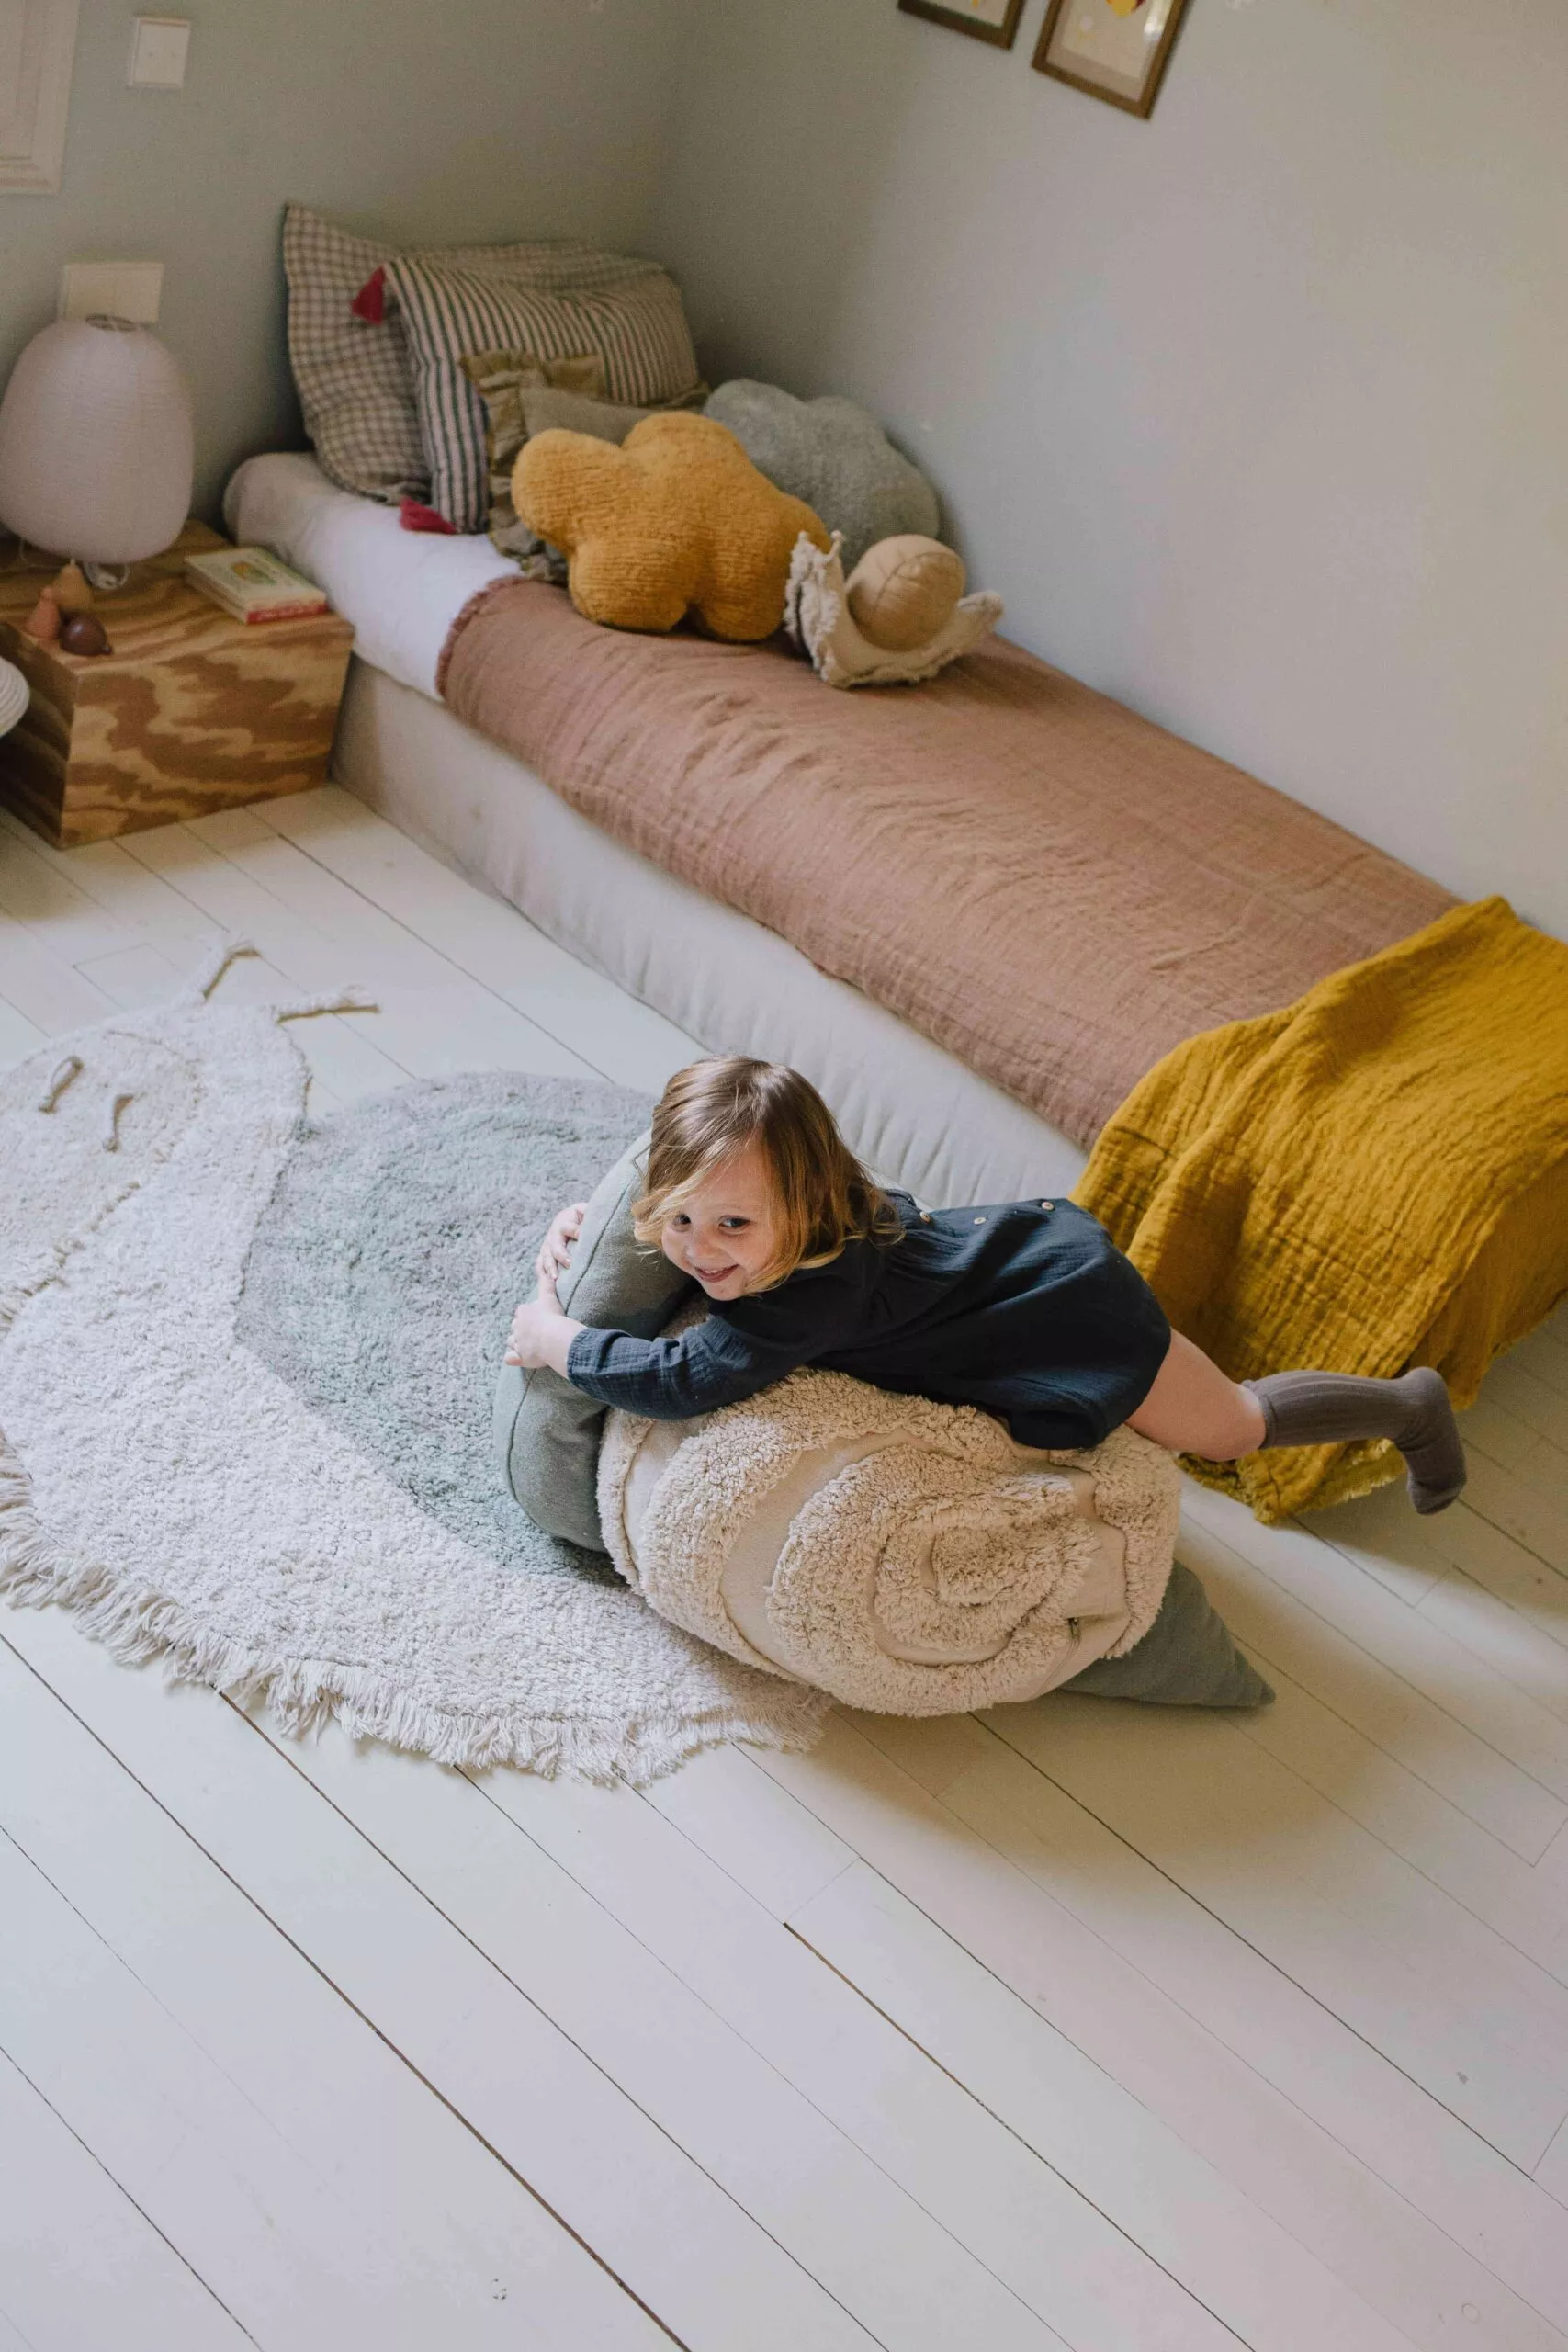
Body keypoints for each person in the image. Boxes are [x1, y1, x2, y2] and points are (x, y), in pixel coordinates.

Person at [504, 1057, 1466, 1514]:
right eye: (679, 1220)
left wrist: (558, 1341)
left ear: (802, 1204)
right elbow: (660, 1210)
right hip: (1018, 1269)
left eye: (733, 1227)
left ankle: (1410, 1408)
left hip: (1066, 1317)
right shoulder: (802, 1205)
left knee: (1232, 1427)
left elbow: (683, 1380)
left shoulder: (807, 1296)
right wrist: (592, 1229)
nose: (700, 1251)